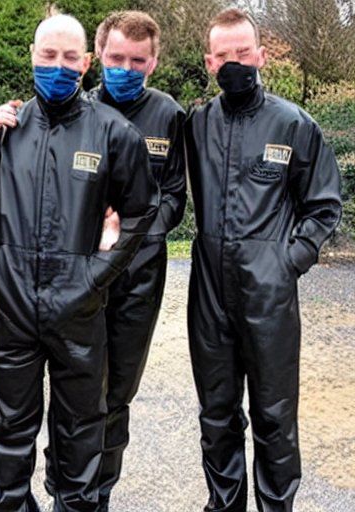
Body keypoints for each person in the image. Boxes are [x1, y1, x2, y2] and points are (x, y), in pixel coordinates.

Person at [0, 12, 186, 509]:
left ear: (153, 63)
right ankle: (62, 485)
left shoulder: (169, 115)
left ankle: (95, 494)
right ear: (97, 60)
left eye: (137, 61)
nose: (126, 69)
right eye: (116, 58)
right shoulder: (79, 109)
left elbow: (170, 198)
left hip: (134, 278)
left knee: (113, 397)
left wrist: (118, 245)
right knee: (73, 399)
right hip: (74, 280)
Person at [185, 8, 342, 512]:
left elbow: (324, 205)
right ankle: (224, 504)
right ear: (210, 62)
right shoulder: (196, 124)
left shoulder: (293, 124)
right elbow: (126, 129)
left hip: (269, 296)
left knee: (274, 416)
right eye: (223, 54)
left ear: (262, 55)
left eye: (243, 52)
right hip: (209, 293)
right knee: (216, 414)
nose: (234, 62)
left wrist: (287, 260)